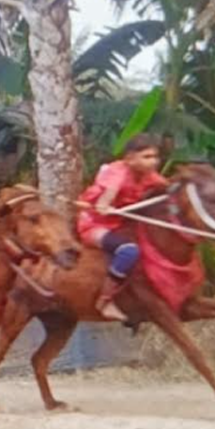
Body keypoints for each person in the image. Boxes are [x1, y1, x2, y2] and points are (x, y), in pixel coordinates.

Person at [77, 134, 167, 321]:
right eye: (147, 157)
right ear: (130, 159)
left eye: (155, 157)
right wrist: (105, 204)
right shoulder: (117, 172)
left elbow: (170, 187)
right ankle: (104, 301)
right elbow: (109, 194)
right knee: (128, 251)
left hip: (119, 223)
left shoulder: (149, 175)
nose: (153, 162)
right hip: (94, 224)